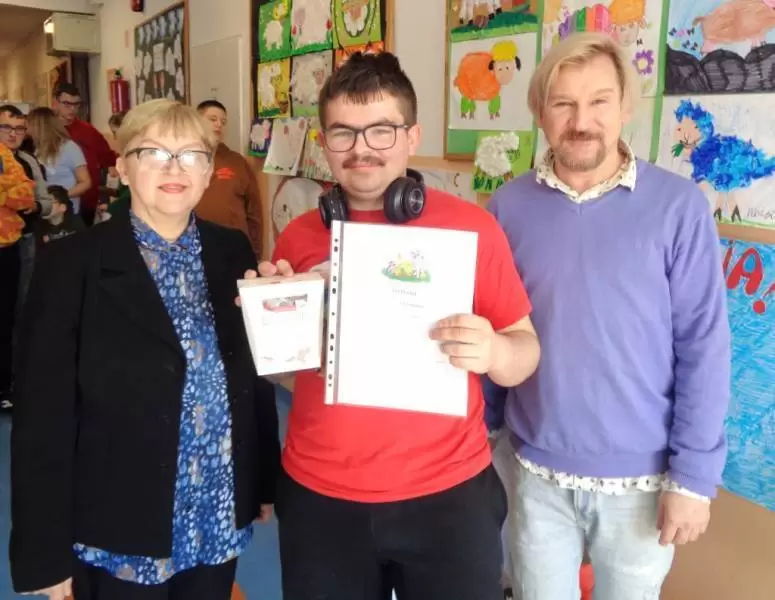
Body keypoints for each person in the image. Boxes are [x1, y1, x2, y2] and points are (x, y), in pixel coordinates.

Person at [254, 51, 541, 600]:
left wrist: (494, 352)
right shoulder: (299, 236)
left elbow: (525, 353)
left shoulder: (472, 228)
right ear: (324, 143)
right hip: (320, 496)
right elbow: (288, 371)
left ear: (412, 136)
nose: (361, 148)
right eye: (343, 133)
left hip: (449, 496)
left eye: (381, 130)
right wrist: (275, 317)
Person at [487, 32, 731, 600]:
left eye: (599, 101)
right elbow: (495, 330)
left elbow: (703, 346)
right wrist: (480, 439)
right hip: (533, 475)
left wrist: (694, 478)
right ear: (540, 112)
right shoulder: (506, 208)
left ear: (625, 106)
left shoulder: (679, 207)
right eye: (563, 103)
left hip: (643, 485)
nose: (582, 121)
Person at [10, 98, 281, 600]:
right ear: (123, 167)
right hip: (120, 522)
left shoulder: (232, 251)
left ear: (208, 172)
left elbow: (251, 375)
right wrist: (43, 553)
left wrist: (263, 480)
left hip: (216, 508)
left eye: (192, 155)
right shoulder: (72, 264)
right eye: (153, 152)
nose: (174, 169)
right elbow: (42, 417)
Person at [0, 105, 53, 412]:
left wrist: (32, 205)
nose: (13, 135)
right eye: (6, 128)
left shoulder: (28, 162)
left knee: (20, 311)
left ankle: (14, 380)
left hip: (24, 241)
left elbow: (41, 202)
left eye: (19, 129)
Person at [196, 100, 263, 259]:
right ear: (196, 121)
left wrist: (256, 252)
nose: (219, 124)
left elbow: (254, 211)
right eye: (213, 119)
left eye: (223, 122)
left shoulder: (236, 162)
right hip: (196, 249)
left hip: (235, 250)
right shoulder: (182, 160)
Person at [52, 82, 118, 226]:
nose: (72, 109)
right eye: (67, 104)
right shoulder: (48, 131)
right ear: (55, 103)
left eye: (76, 105)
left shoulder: (88, 131)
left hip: (86, 200)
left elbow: (108, 157)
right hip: (55, 202)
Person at [26, 107, 91, 216]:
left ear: (39, 126)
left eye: (29, 125)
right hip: (45, 213)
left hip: (66, 213)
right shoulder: (37, 150)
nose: (27, 130)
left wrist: (61, 197)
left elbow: (86, 183)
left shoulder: (69, 147)